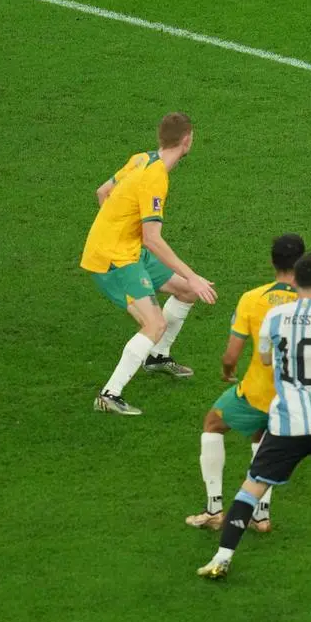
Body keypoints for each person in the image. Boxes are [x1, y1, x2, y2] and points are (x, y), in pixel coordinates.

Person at [197, 253, 311, 581]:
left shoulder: (275, 317)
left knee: (252, 486)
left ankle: (221, 558)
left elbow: (266, 360)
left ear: (294, 281)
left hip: (286, 424)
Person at [186, 233, 311, 533]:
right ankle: (261, 516)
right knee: (264, 439)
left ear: (272, 261)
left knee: (213, 423)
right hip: (296, 400)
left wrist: (227, 372)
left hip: (257, 393)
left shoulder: (253, 299)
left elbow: (232, 354)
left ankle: (214, 509)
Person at [80, 112, 217, 415]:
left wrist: (115, 225)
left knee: (186, 292)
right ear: (187, 139)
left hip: (126, 248)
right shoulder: (155, 178)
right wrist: (192, 274)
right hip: (114, 260)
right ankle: (109, 394)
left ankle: (157, 356)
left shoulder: (141, 158)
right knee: (155, 323)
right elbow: (153, 239)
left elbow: (103, 192)